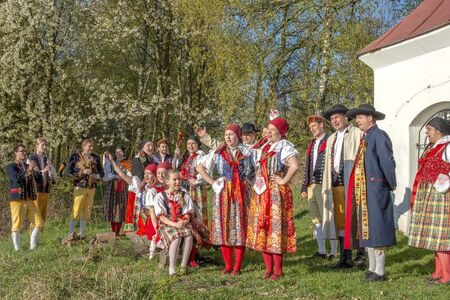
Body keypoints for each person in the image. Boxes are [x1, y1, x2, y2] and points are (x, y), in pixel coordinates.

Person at [345, 104, 396, 282]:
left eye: (360, 117)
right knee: (366, 229)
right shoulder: (366, 137)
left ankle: (380, 271)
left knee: (378, 228)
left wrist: (390, 183)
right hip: (364, 190)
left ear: (370, 118)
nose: (357, 120)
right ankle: (372, 268)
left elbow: (387, 162)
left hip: (376, 189)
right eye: (356, 117)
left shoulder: (379, 136)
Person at [197, 124, 254, 275]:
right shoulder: (218, 153)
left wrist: (252, 182)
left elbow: (256, 170)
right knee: (223, 227)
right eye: (226, 134)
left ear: (238, 136)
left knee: (240, 226)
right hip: (223, 193)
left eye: (232, 134)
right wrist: (212, 182)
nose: (228, 137)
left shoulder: (247, 152)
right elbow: (200, 168)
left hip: (241, 192)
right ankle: (228, 265)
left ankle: (237, 266)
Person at [246, 117, 299, 280]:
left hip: (275, 193)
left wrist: (283, 180)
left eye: (272, 130)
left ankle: (278, 270)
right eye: (267, 129)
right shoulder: (264, 147)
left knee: (274, 229)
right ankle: (268, 269)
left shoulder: (284, 147)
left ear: (281, 132)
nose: (268, 132)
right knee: (262, 228)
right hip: (261, 192)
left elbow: (295, 165)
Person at [321, 104, 365, 268]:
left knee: (356, 217)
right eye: (332, 119)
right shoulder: (332, 138)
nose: (335, 121)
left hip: (352, 183)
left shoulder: (357, 134)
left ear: (346, 117)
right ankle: (345, 257)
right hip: (336, 184)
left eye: (337, 117)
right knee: (340, 221)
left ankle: (361, 255)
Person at [408, 117, 450, 285]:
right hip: (430, 195)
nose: (426, 133)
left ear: (439, 130)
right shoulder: (435, 146)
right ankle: (438, 272)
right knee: (435, 236)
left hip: (441, 196)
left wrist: (445, 180)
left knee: (441, 236)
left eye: (429, 130)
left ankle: (446, 276)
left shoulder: (448, 146)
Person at [301, 115, 337, 259]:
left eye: (314, 126)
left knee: (328, 216)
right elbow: (308, 165)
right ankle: (322, 250)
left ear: (321, 125)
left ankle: (334, 251)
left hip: (324, 184)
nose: (312, 129)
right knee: (316, 218)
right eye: (310, 128)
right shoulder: (312, 144)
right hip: (312, 185)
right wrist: (304, 185)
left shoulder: (330, 140)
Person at [173, 135, 210, 267]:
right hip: (184, 189)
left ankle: (194, 254)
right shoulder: (185, 157)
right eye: (188, 143)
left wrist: (197, 180)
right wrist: (176, 156)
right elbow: (176, 169)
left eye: (193, 143)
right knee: (186, 218)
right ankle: (188, 254)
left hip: (197, 190)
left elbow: (206, 172)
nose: (190, 146)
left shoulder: (201, 156)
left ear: (198, 144)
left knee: (196, 219)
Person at [154, 170, 195, 275]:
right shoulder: (160, 196)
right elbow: (162, 217)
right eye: (174, 179)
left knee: (189, 236)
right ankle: (172, 267)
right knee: (176, 237)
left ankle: (183, 265)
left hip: (182, 222)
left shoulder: (184, 195)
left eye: (179, 179)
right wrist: (175, 224)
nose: (177, 182)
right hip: (167, 224)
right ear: (167, 182)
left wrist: (184, 221)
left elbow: (188, 213)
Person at [7, 144, 44, 250]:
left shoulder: (28, 166)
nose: (24, 153)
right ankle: (17, 249)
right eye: (21, 151)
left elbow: (38, 179)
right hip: (17, 199)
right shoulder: (11, 166)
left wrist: (36, 170)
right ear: (16, 153)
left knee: (39, 222)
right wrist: (28, 171)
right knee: (17, 225)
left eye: (25, 151)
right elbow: (15, 178)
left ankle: (32, 244)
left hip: (29, 199)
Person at [66, 139, 104, 240]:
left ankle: (81, 233)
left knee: (87, 209)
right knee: (77, 208)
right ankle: (70, 234)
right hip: (80, 186)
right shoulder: (75, 156)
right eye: (89, 146)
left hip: (92, 187)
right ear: (84, 147)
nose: (91, 148)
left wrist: (97, 175)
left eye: (92, 146)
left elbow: (101, 171)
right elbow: (69, 171)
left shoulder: (95, 157)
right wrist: (82, 171)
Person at [125, 139, 154, 233]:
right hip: (141, 190)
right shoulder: (138, 159)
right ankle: (142, 230)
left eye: (151, 146)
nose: (150, 147)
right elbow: (138, 176)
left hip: (149, 187)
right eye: (148, 146)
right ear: (142, 147)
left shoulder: (150, 158)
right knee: (143, 211)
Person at [28, 138, 55, 231]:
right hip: (36, 189)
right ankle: (32, 236)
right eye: (42, 145)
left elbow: (53, 177)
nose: (44, 147)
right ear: (37, 146)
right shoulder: (32, 158)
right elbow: (35, 174)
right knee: (36, 213)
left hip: (46, 189)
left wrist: (51, 171)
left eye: (45, 145)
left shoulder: (46, 158)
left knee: (43, 214)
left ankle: (40, 236)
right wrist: (44, 170)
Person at [102, 147, 131, 236]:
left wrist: (122, 175)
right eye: (116, 151)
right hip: (112, 188)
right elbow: (105, 173)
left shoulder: (127, 162)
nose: (118, 153)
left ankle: (117, 232)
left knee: (120, 209)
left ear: (123, 153)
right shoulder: (111, 162)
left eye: (120, 151)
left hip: (122, 188)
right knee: (112, 208)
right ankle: (113, 232)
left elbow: (129, 175)